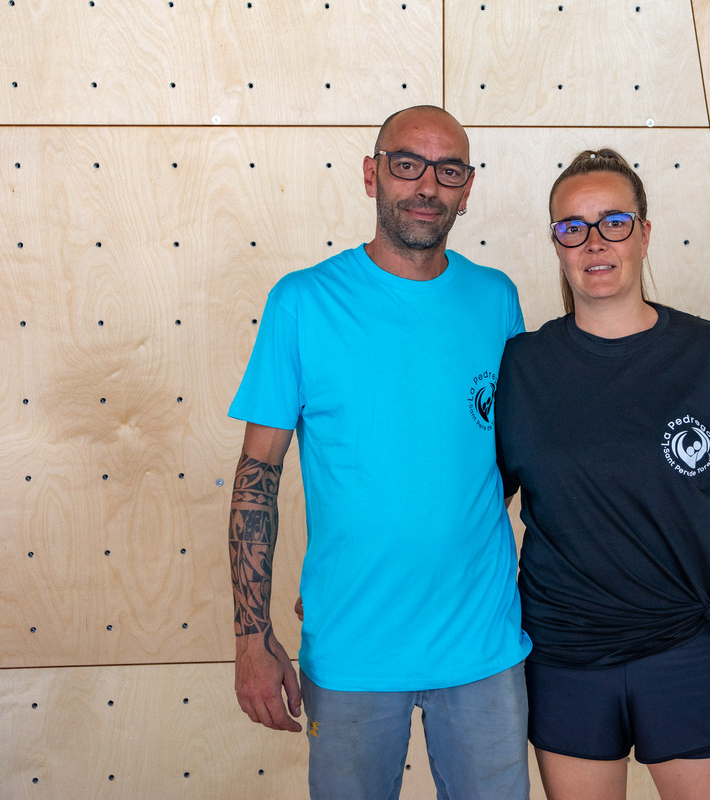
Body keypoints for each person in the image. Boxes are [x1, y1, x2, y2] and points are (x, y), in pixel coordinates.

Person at [228, 105, 531, 800]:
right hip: (351, 647)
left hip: (483, 645)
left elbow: (503, 459)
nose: (427, 185)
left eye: (447, 170)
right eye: (407, 164)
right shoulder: (302, 302)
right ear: (372, 175)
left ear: (467, 188)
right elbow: (257, 477)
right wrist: (251, 636)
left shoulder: (496, 299)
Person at [495, 149, 710, 800]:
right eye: (573, 227)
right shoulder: (523, 367)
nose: (594, 242)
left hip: (690, 655)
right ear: (556, 243)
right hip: (564, 659)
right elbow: (475, 508)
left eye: (614, 222)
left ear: (645, 233)